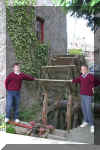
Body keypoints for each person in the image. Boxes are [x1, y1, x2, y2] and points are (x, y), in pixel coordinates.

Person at [72, 65, 95, 133]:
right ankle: (86, 121)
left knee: (88, 109)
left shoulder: (90, 76)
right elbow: (76, 80)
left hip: (88, 95)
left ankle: (92, 125)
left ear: (87, 69)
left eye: (84, 69)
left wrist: (93, 89)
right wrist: (70, 80)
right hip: (82, 95)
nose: (83, 71)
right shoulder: (81, 77)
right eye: (82, 69)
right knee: (84, 108)